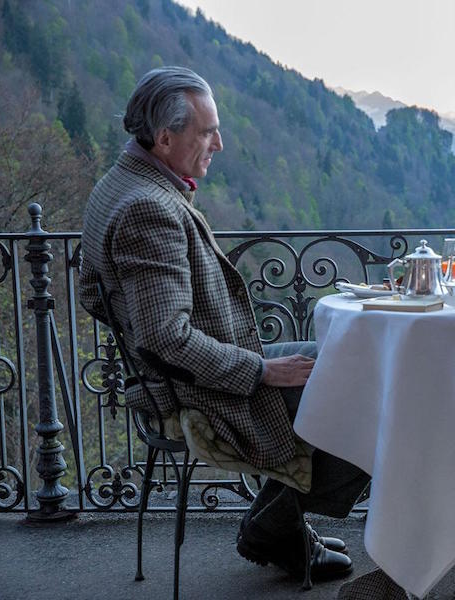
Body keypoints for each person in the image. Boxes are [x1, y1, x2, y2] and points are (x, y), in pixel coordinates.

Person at [78, 66, 369, 583]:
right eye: (207, 131)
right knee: (375, 395)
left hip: (196, 371)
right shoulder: (149, 208)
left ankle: (277, 522)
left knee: (355, 360)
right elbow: (165, 337)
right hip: (199, 390)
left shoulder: (122, 183)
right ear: (165, 138)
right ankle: (275, 528)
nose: (220, 142)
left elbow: (99, 296)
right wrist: (261, 371)